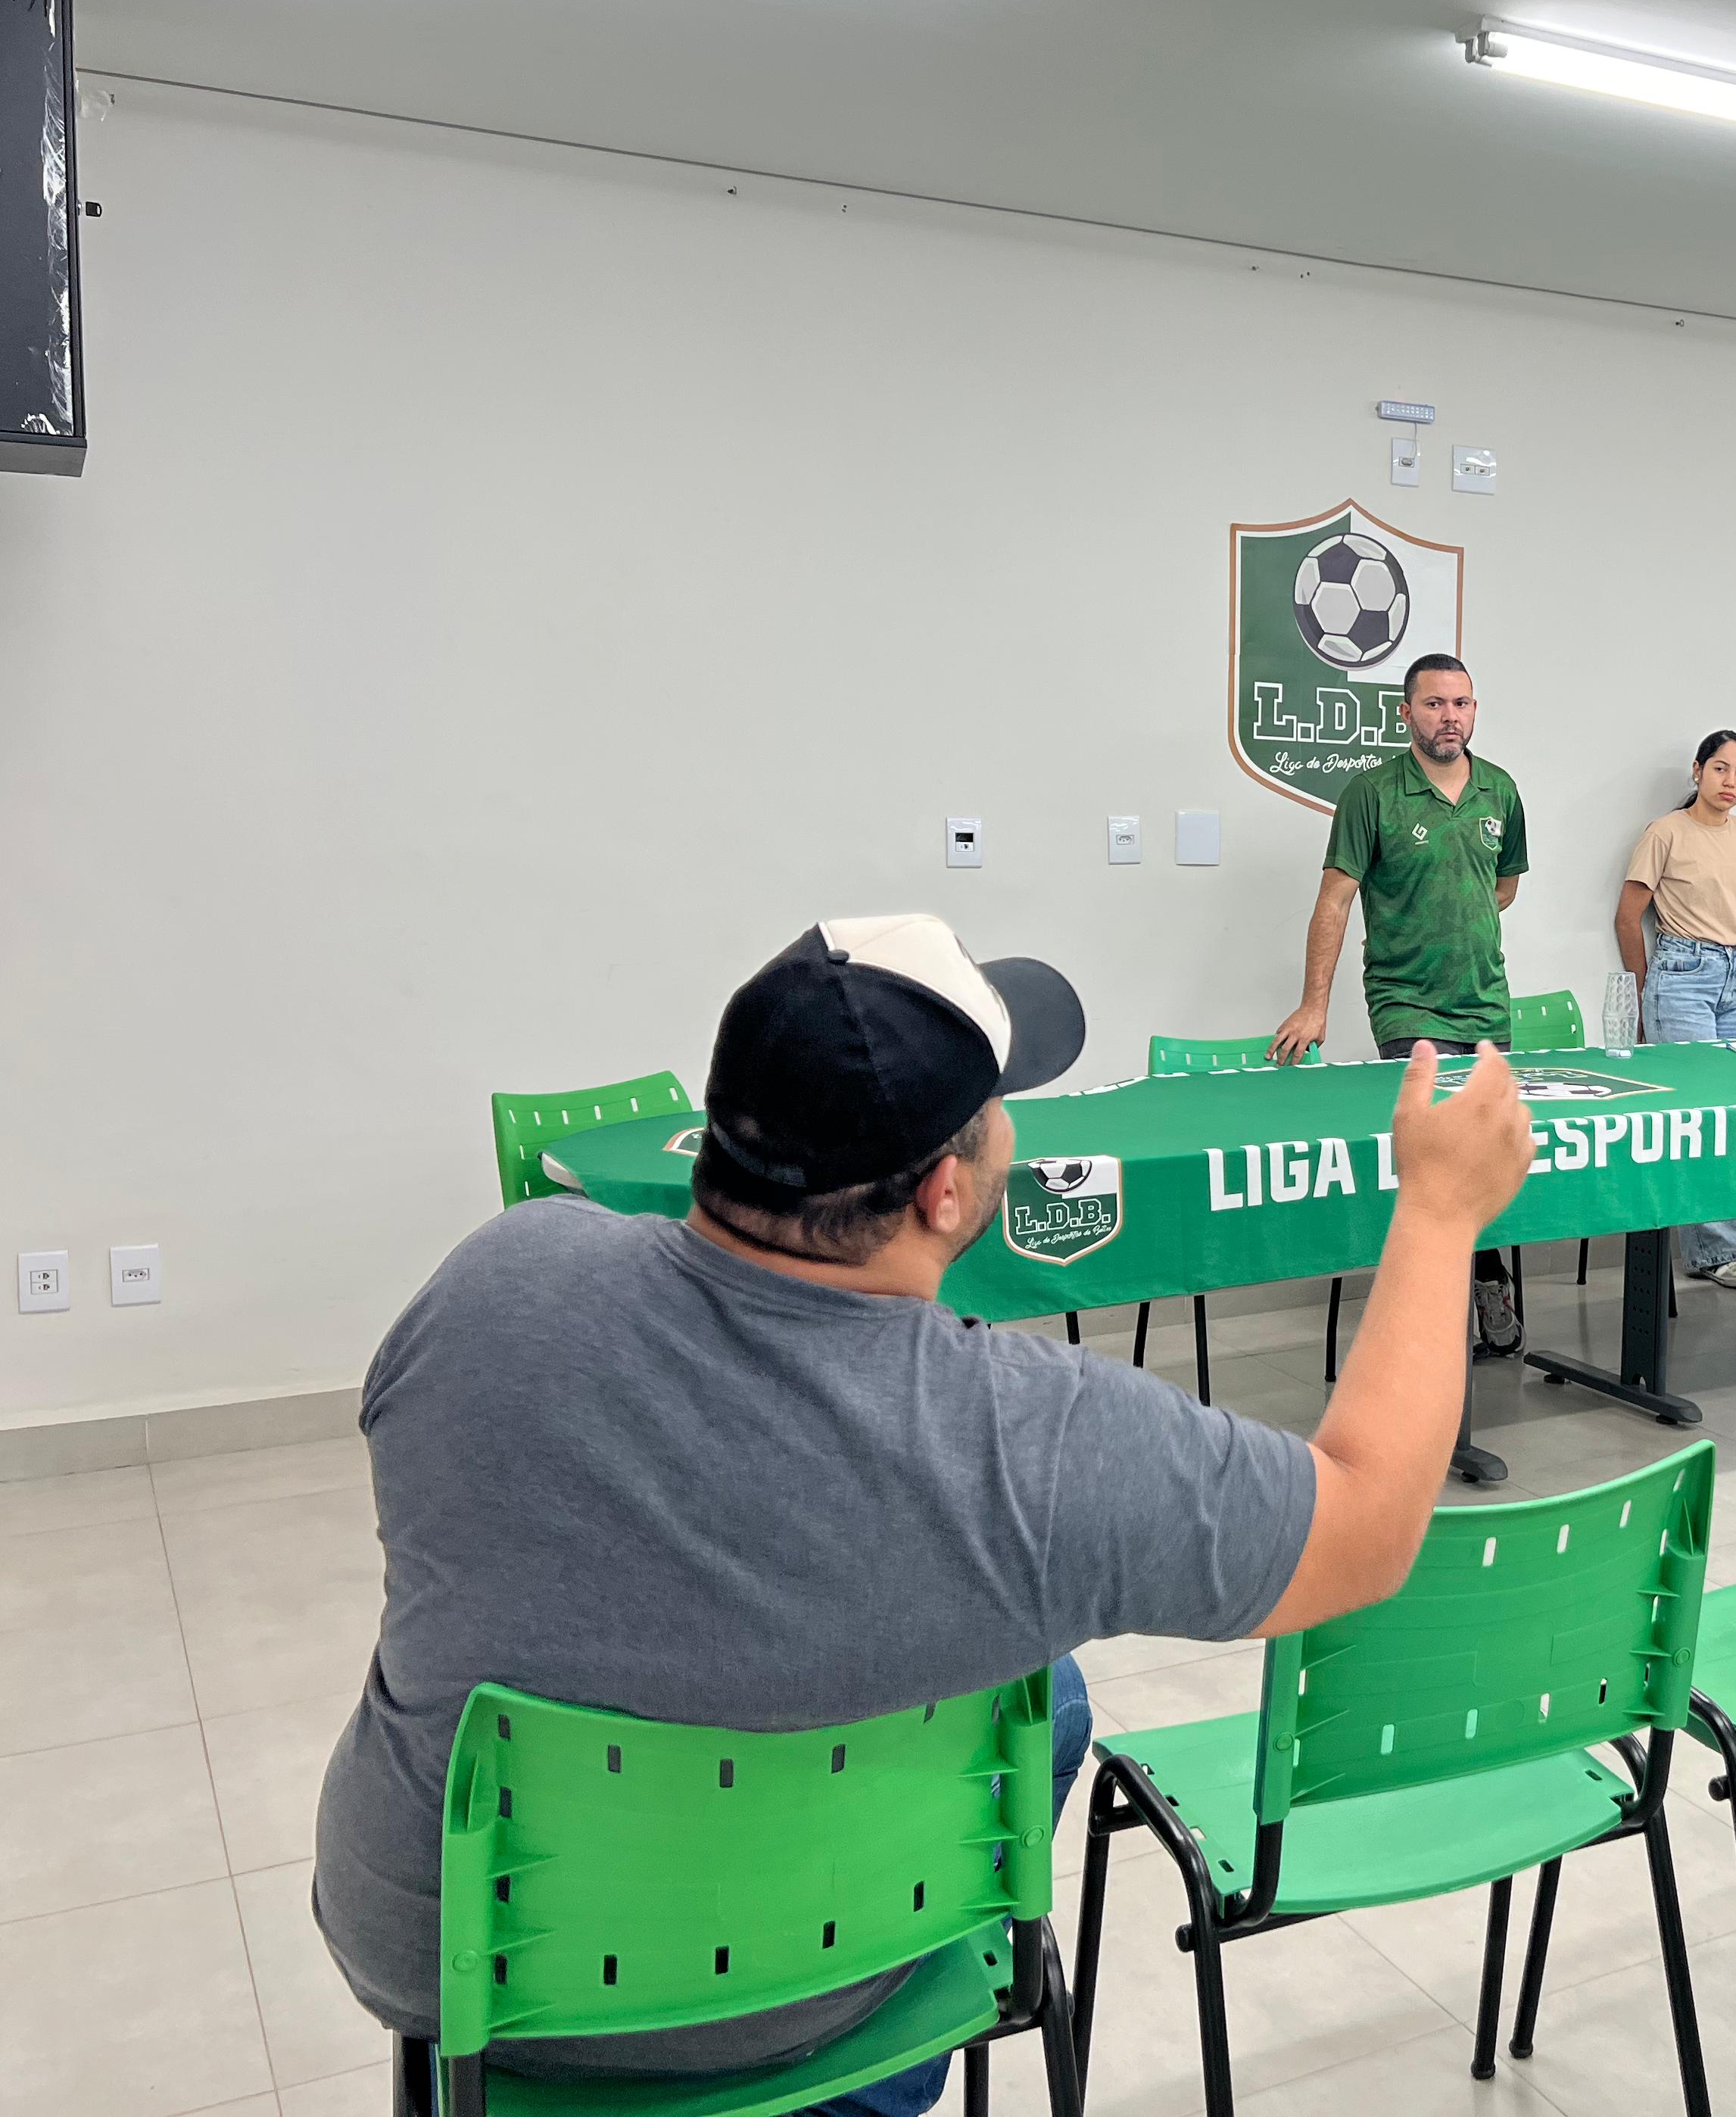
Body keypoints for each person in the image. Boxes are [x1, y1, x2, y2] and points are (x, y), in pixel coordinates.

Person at [313, 913, 1533, 2114]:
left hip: (455, 1973)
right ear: (948, 1191)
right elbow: (1365, 1532)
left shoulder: (498, 1278)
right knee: (1041, 1693)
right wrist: (1438, 1216)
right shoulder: (1039, 1444)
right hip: (798, 2006)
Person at [1273, 653, 1533, 1356]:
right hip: (1407, 1006)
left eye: (1462, 704)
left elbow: (1503, 887)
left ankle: (1486, 1290)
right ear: (1406, 713)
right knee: (1438, 1161)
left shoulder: (1500, 791)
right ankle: (1439, 1320)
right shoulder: (1372, 794)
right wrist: (1313, 1004)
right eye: (1435, 703)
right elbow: (1334, 899)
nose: (1450, 716)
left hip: (1486, 1005)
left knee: (1478, 1159)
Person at [1619, 728, 1736, 1289]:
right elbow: (1628, 916)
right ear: (1697, 771)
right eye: (1720, 769)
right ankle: (1713, 1252)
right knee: (1700, 1115)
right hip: (1680, 977)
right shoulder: (1666, 833)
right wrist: (1645, 993)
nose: (1730, 782)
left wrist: (1730, 956)